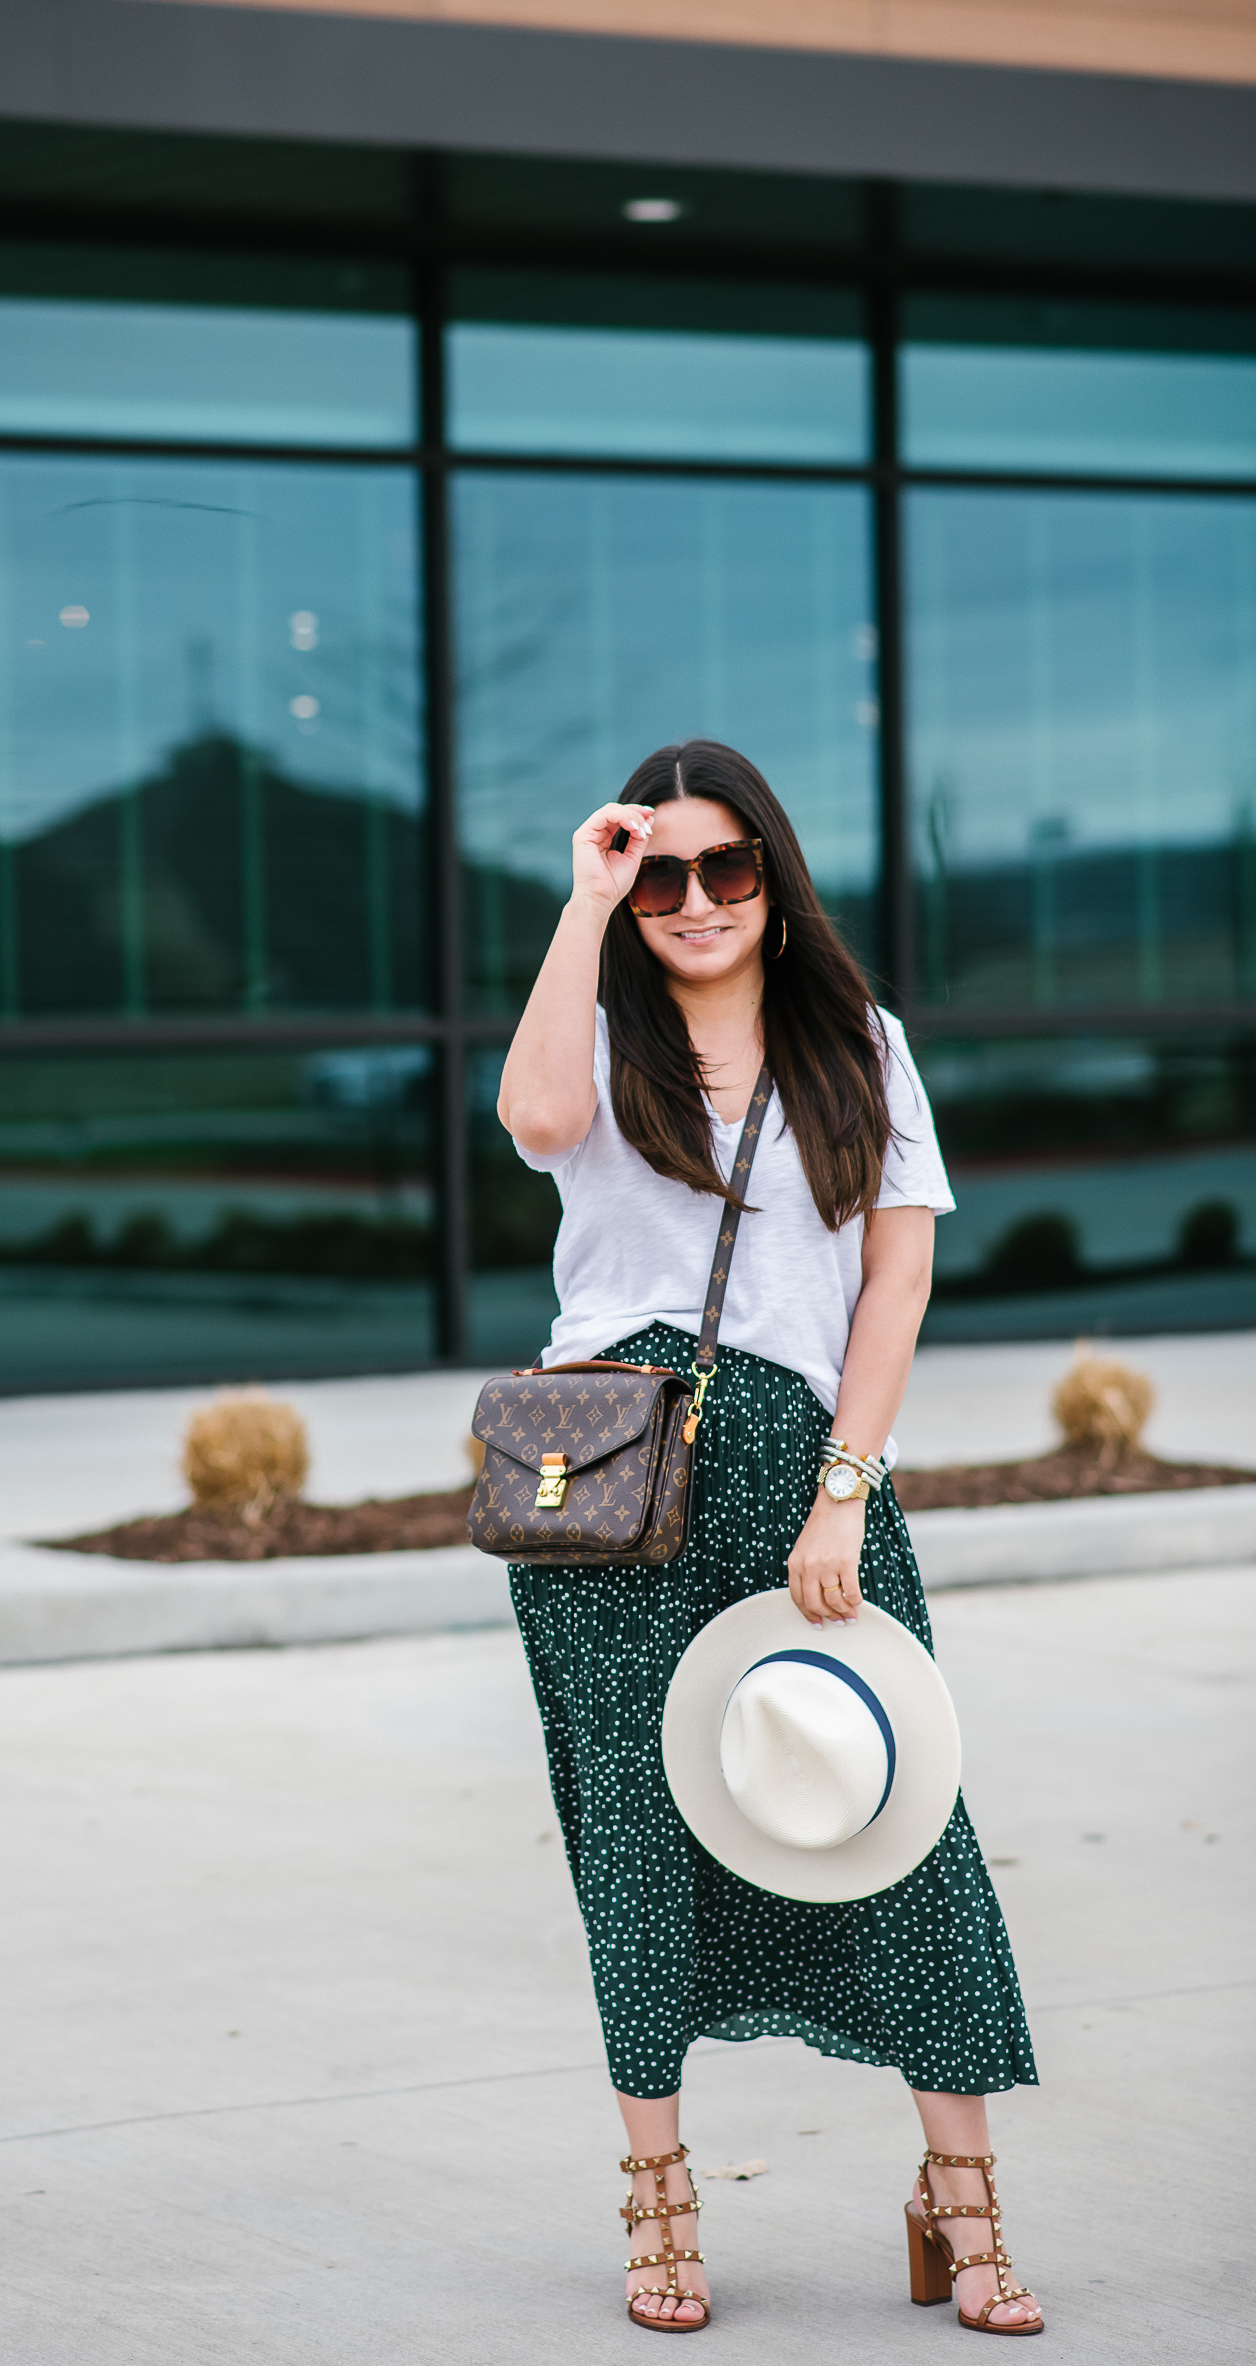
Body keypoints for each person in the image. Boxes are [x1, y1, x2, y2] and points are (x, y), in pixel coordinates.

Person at [496, 738, 1042, 2337]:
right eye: (656, 871)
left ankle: (960, 2199)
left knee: (899, 1830)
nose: (692, 898)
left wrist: (842, 1490)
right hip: (608, 1488)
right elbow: (534, 1117)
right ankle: (658, 2198)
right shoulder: (599, 1035)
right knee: (634, 1844)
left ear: (774, 881)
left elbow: (896, 1278)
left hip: (804, 1477)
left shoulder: (859, 1046)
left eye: (722, 865)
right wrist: (581, 902)